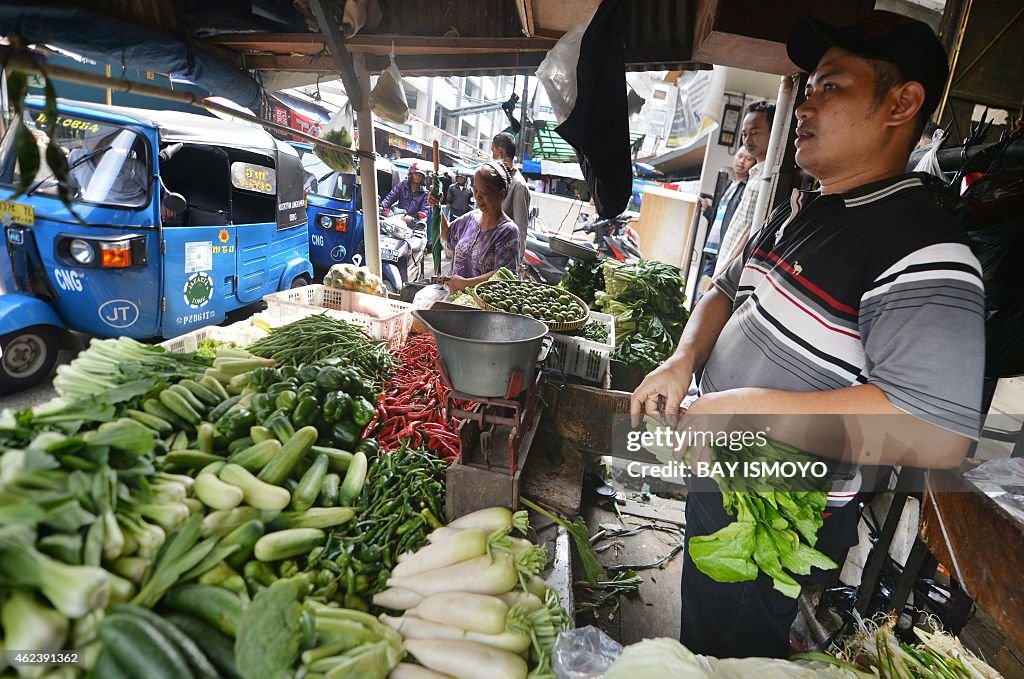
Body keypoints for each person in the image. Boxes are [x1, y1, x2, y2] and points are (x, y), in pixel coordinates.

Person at [630, 10, 984, 659]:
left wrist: (749, 411)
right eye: (808, 88)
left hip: (774, 520)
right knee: (700, 643)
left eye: (831, 87)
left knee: (726, 657)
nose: (806, 105)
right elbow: (723, 289)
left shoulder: (925, 246)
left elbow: (936, 426)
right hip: (724, 483)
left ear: (902, 102)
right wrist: (683, 360)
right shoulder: (805, 209)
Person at [428, 161, 520, 293]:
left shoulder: (507, 231)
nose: (478, 197)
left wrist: (465, 284)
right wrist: (436, 206)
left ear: (501, 194)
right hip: (451, 299)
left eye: (485, 192)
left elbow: (504, 277)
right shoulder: (471, 218)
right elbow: (447, 234)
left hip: (477, 307)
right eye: (476, 190)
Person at [712, 100, 776, 277]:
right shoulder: (756, 173)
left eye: (755, 132)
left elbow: (753, 233)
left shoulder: (770, 177)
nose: (748, 140)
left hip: (732, 273)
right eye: (744, 134)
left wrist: (724, 271)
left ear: (775, 131)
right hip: (724, 265)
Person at [698, 148, 757, 292]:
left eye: (748, 159)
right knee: (703, 290)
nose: (742, 161)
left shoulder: (746, 188)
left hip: (724, 252)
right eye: (740, 156)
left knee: (706, 294)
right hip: (713, 250)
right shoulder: (731, 185)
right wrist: (707, 211)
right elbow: (722, 218)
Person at [491, 132, 531, 259]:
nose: (492, 156)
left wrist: (518, 261)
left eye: (493, 151)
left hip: (503, 255)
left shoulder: (518, 185)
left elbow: (521, 227)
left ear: (500, 152)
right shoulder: (496, 178)